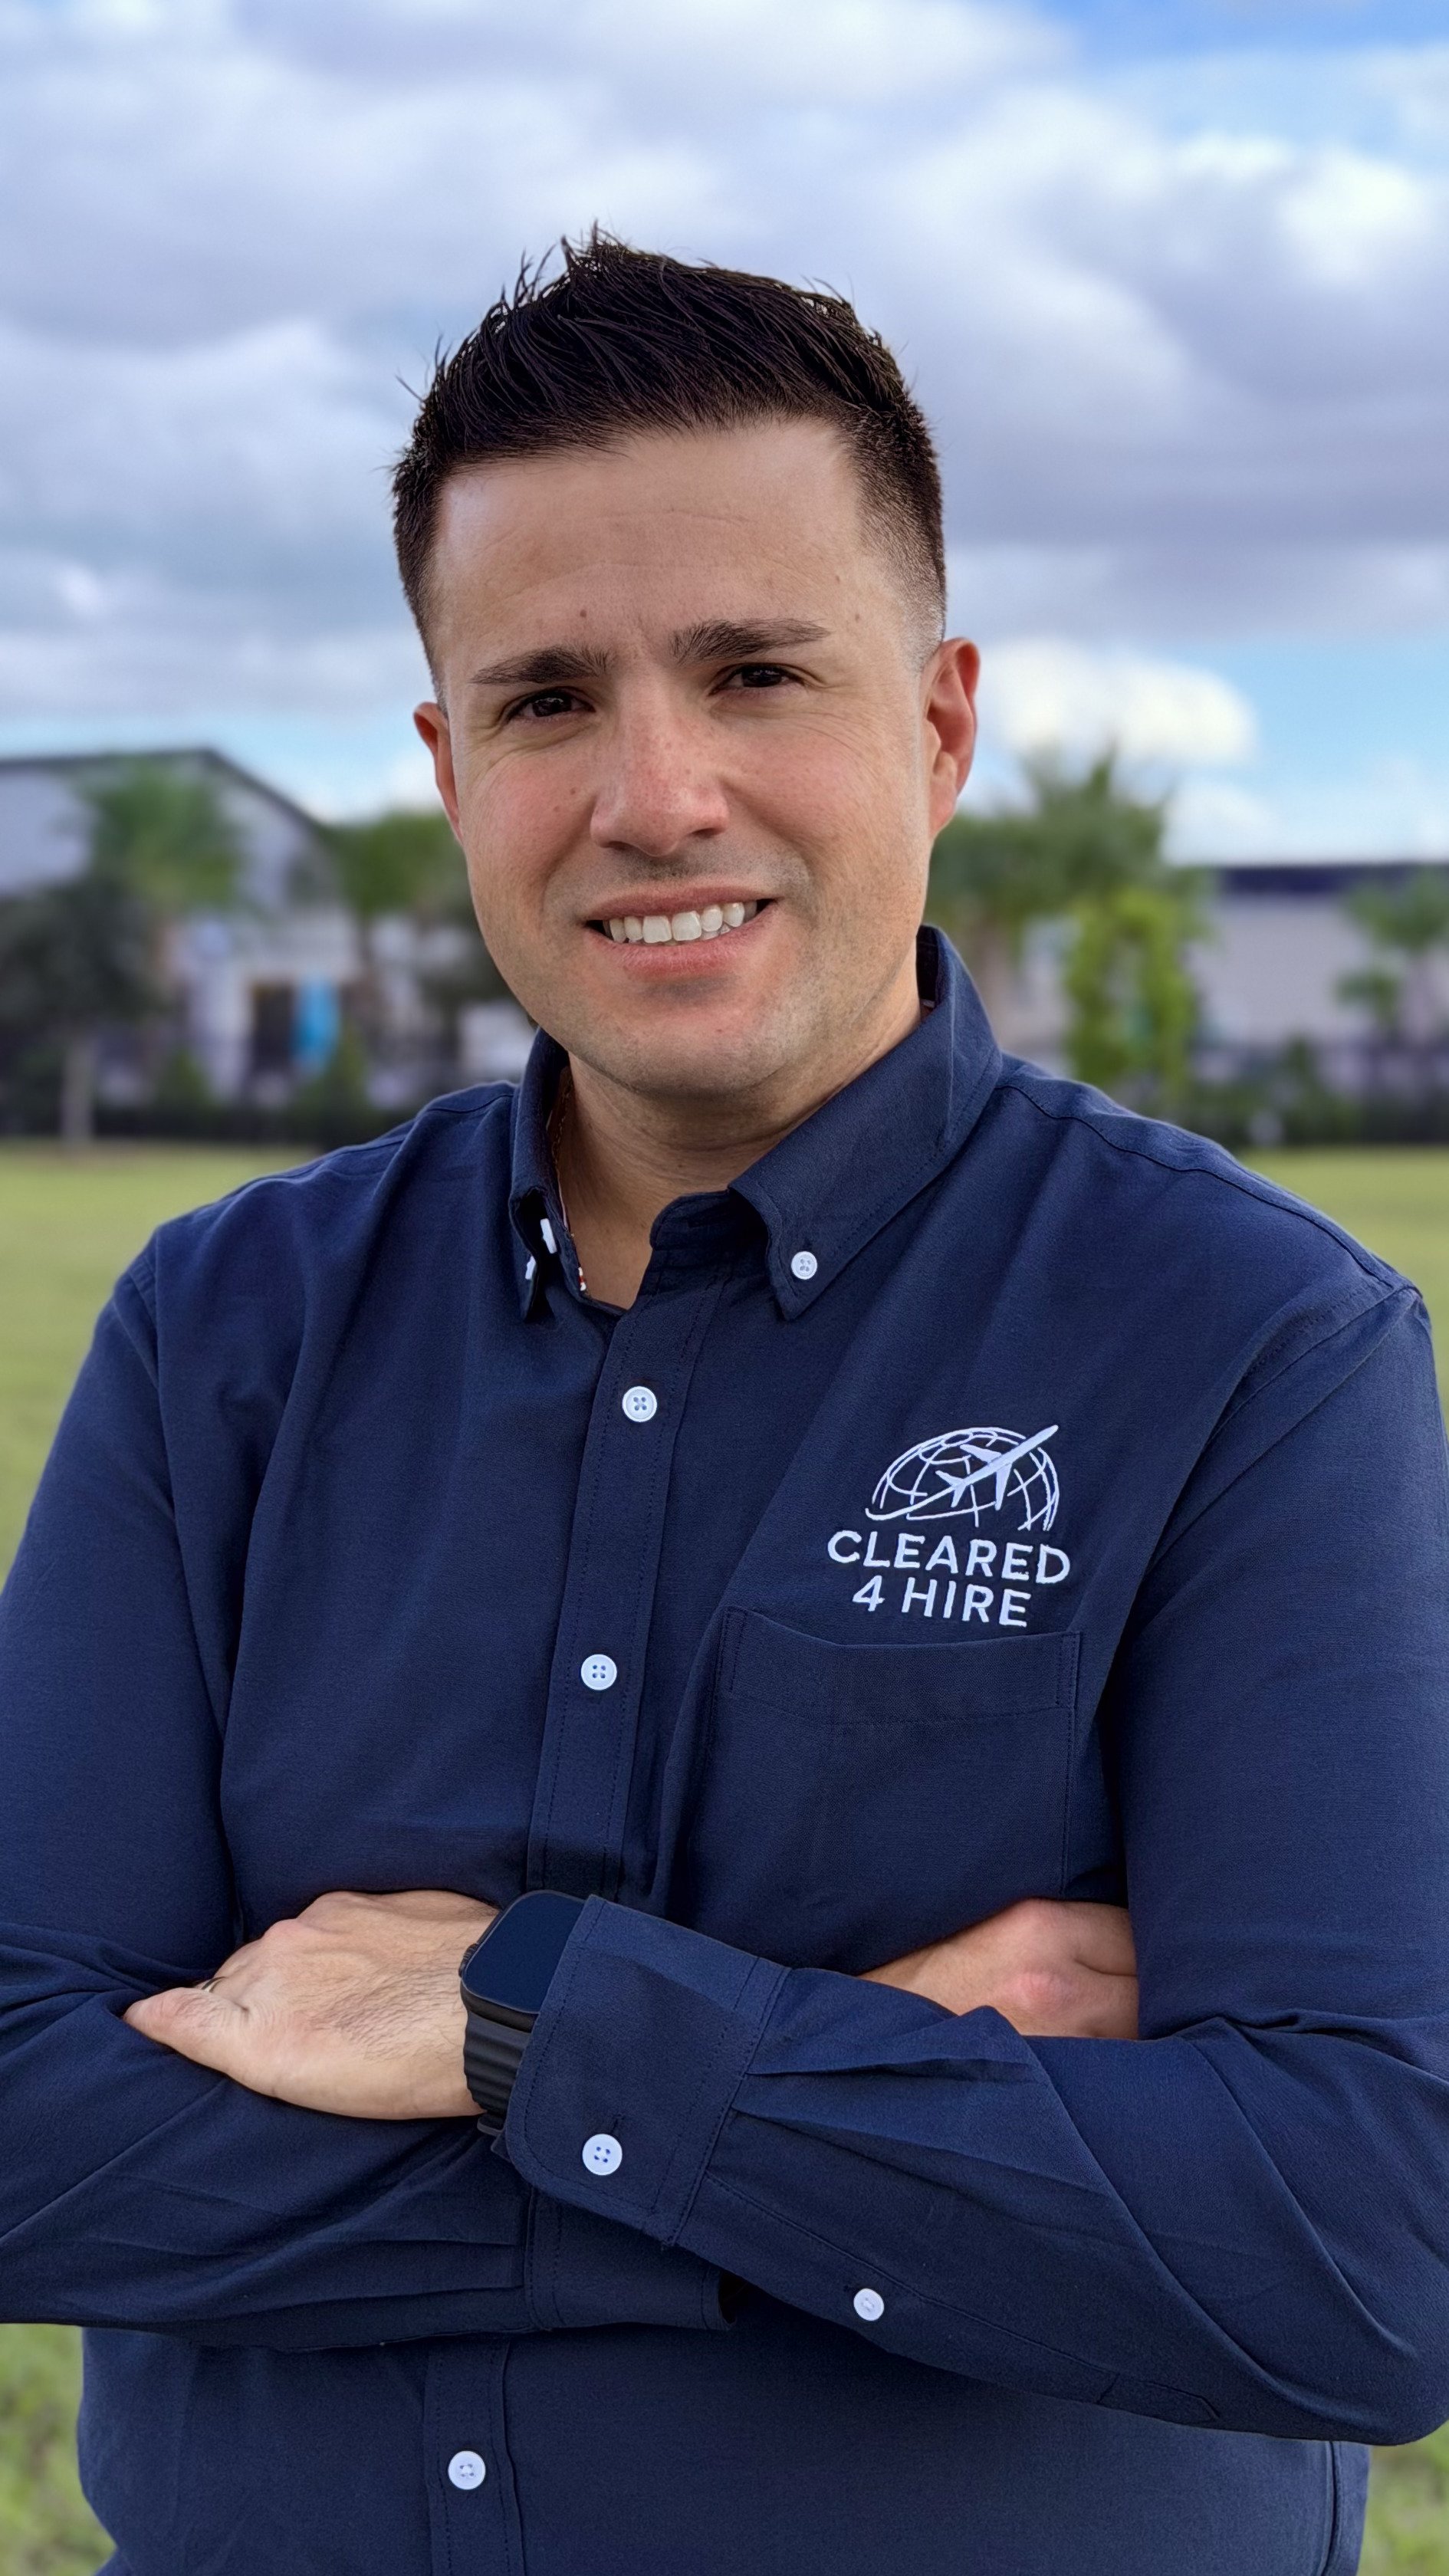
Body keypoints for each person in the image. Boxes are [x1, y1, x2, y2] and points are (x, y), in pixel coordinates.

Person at [1, 236, 1447, 2576]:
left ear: (942, 724)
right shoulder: (224, 1331)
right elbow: (20, 2126)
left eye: (755, 672)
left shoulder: (1245, 1347)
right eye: (549, 699)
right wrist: (813, 2098)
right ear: (449, 764)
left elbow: (1353, 2255)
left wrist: (514, 2012)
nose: (654, 795)